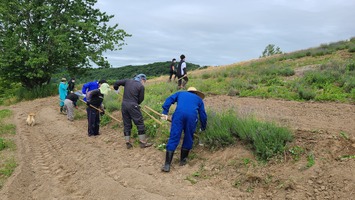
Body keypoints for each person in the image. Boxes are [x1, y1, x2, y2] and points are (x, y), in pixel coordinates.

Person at [161, 87, 207, 172]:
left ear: (188, 91)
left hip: (178, 115)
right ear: (196, 93)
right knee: (188, 136)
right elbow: (203, 114)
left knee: (174, 136)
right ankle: (183, 161)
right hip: (191, 117)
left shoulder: (180, 93)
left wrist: (165, 112)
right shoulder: (199, 99)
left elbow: (169, 99)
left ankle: (167, 165)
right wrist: (203, 127)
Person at [113, 74, 152, 149]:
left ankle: (128, 142)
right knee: (139, 123)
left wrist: (116, 89)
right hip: (133, 105)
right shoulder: (141, 86)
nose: (144, 82)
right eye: (144, 81)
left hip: (124, 105)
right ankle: (143, 142)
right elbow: (141, 99)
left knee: (127, 123)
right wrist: (136, 104)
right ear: (142, 79)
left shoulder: (127, 81)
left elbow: (116, 83)